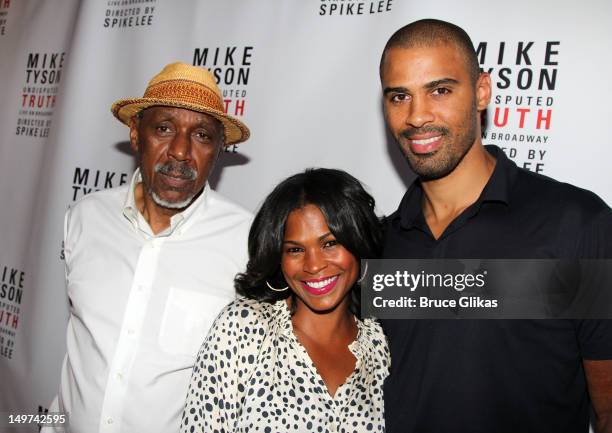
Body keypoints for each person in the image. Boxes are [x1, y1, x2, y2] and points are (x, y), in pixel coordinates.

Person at [378, 18, 612, 433]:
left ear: (482, 91)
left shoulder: (576, 224)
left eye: (440, 90)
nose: (417, 117)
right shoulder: (379, 243)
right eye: (399, 96)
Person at [45, 62, 252, 433]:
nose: (180, 151)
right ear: (136, 135)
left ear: (219, 149)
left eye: (202, 135)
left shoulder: (247, 242)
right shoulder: (83, 218)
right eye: (163, 128)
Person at [181, 168, 390, 433]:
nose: (313, 265)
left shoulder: (381, 344)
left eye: (329, 244)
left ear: (358, 243)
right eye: (295, 250)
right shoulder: (244, 328)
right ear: (278, 259)